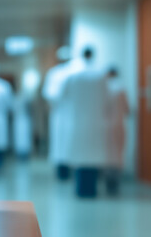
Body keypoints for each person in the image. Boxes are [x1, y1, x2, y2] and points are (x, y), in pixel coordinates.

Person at [62, 47, 110, 198]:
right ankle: (91, 190)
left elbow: (63, 97)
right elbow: (107, 98)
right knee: (93, 157)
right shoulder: (101, 75)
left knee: (81, 158)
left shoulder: (73, 75)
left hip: (77, 121)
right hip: (96, 122)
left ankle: (81, 190)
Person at [42, 46, 77, 180]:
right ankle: (64, 171)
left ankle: (66, 171)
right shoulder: (56, 73)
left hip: (67, 113)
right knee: (62, 143)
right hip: (62, 113)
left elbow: (50, 95)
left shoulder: (69, 72)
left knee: (65, 143)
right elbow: (50, 94)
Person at [106, 67, 129, 196]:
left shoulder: (104, 89)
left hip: (105, 127)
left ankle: (108, 182)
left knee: (108, 153)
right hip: (119, 125)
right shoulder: (121, 88)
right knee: (118, 153)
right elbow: (127, 109)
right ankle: (115, 185)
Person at [12, 91, 32, 160]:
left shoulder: (25, 99)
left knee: (24, 138)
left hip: (23, 119)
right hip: (19, 120)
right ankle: (20, 154)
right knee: (20, 138)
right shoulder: (15, 99)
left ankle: (24, 154)